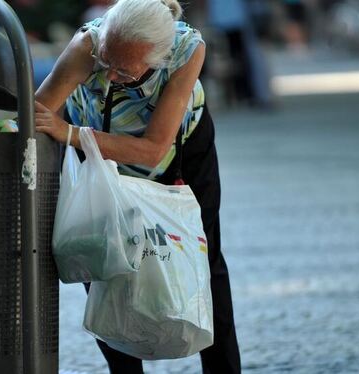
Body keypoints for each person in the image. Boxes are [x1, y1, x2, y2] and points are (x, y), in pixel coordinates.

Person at [34, 0, 241, 372]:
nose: (110, 76)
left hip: (179, 154)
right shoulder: (88, 45)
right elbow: (39, 114)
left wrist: (71, 133)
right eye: (106, 62)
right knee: (103, 258)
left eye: (124, 71)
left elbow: (152, 149)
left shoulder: (188, 49)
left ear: (158, 58)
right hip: (100, 155)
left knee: (205, 262)